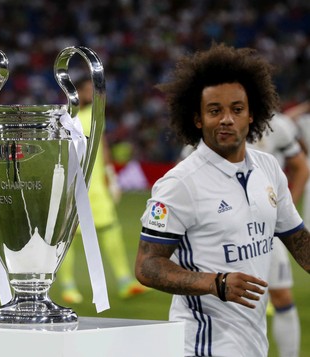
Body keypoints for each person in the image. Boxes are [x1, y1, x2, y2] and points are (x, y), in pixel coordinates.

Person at [134, 43, 310, 357]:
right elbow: (147, 266)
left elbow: (298, 239)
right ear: (198, 119)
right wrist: (215, 282)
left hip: (253, 343)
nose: (227, 119)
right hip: (203, 344)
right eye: (215, 110)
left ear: (251, 114)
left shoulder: (268, 168)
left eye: (237, 109)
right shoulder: (180, 184)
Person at [58, 77, 149, 303]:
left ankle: (124, 281)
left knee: (110, 228)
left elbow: (102, 145)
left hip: (96, 184)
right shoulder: (65, 118)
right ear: (76, 92)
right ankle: (67, 286)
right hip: (73, 183)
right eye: (87, 89)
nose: (91, 93)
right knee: (69, 236)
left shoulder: (96, 115)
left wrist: (110, 176)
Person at [250, 113, 307, 357]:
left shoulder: (277, 125)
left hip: (268, 231)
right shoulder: (212, 124)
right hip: (224, 232)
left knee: (282, 295)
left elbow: (301, 167)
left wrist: (284, 210)